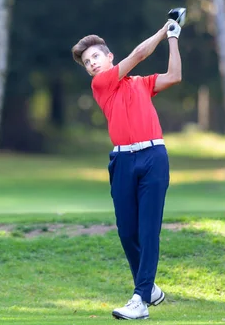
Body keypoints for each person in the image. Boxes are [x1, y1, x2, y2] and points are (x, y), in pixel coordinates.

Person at [71, 19, 182, 320]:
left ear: (109, 56)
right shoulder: (101, 85)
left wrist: (173, 37)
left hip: (154, 157)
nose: (91, 64)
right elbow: (138, 55)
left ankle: (140, 298)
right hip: (122, 162)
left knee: (148, 231)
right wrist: (163, 29)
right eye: (86, 62)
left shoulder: (141, 84)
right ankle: (150, 290)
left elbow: (174, 76)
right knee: (126, 231)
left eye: (95, 57)